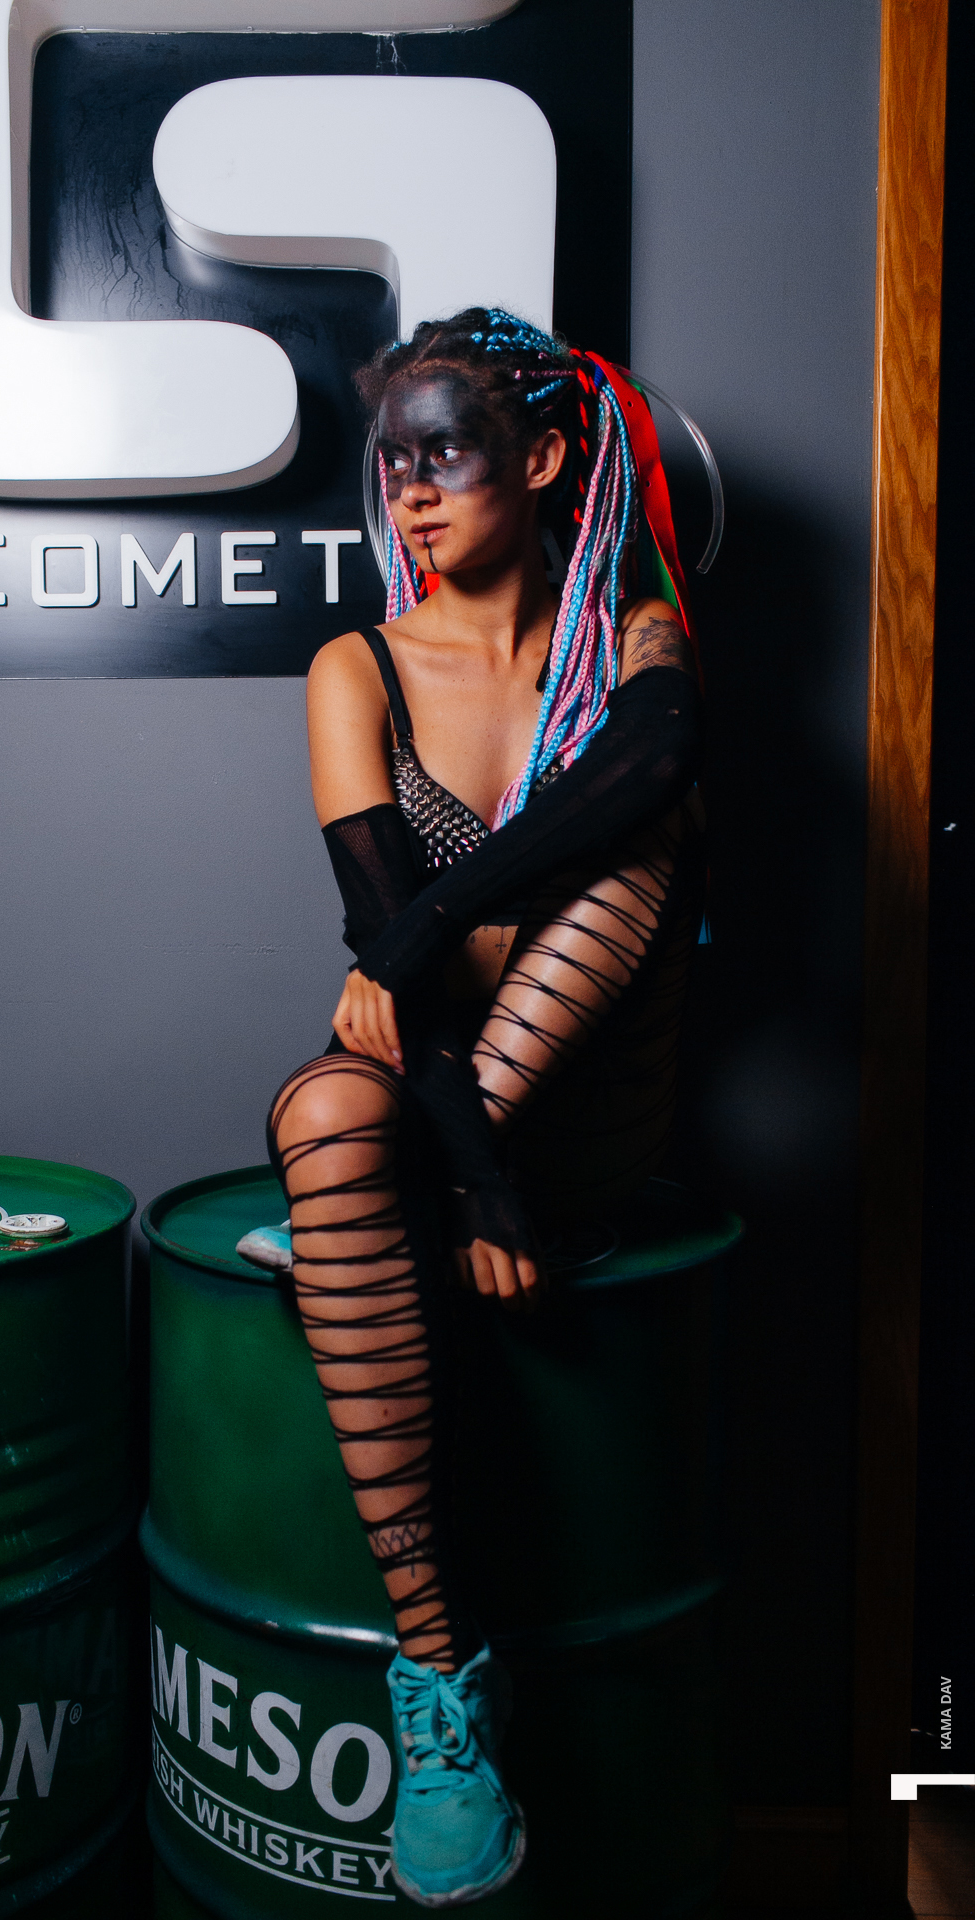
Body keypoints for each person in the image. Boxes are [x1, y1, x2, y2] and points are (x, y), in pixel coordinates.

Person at [256, 309, 706, 1907]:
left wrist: (429, 922)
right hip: (462, 1132)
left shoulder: (637, 640)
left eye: (444, 451)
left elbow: (653, 765)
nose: (411, 489)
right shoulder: (358, 667)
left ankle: (373, 1216)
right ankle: (441, 1684)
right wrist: (472, 1185)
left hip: (597, 1114)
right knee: (326, 1115)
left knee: (633, 849)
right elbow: (392, 965)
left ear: (545, 456)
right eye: (394, 461)